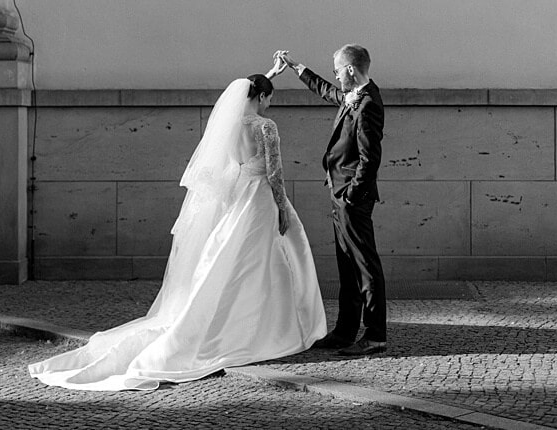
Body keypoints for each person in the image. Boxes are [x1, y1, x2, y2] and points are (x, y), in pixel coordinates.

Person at [28, 65, 326, 390]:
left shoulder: (228, 125)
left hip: (238, 193)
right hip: (259, 198)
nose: (270, 105)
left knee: (229, 263)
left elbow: (230, 152)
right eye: (269, 99)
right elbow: (275, 173)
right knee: (267, 262)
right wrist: (282, 206)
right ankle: (272, 329)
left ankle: (235, 324)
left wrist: (271, 72)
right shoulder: (266, 127)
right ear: (264, 97)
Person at [276, 45, 387, 356]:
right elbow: (327, 92)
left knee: (364, 266)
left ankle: (376, 335)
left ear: (351, 70)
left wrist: (350, 195)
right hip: (340, 193)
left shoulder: (366, 105)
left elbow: (369, 158)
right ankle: (345, 330)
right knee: (347, 266)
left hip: (351, 197)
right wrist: (297, 67)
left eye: (338, 70)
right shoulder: (353, 95)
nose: (336, 76)